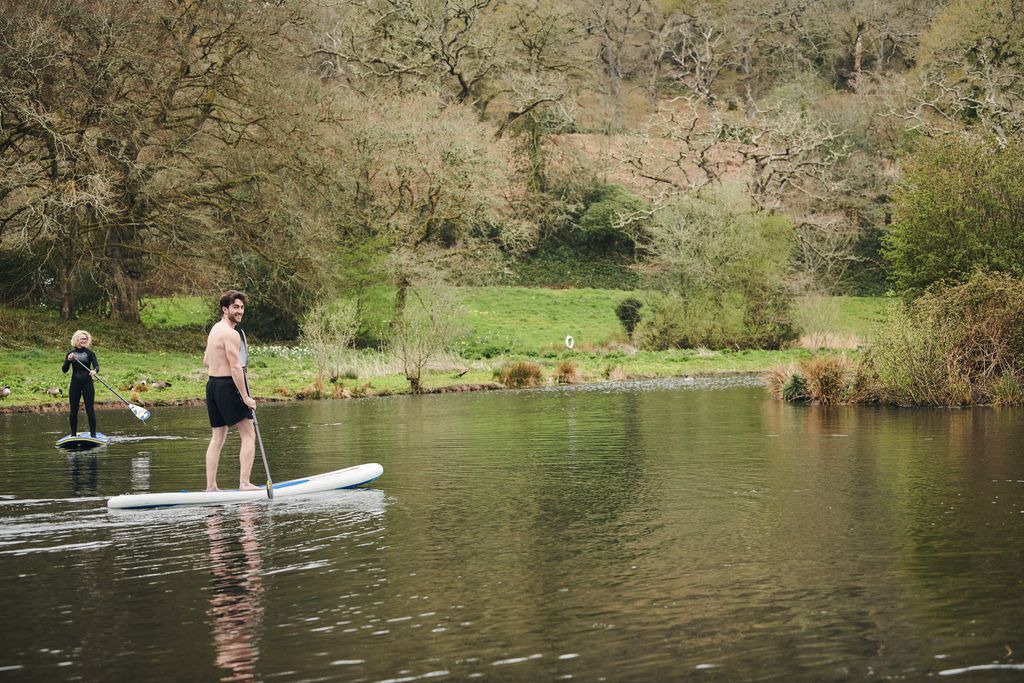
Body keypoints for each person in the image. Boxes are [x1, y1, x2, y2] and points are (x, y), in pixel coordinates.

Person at [203, 290, 259, 492]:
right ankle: (244, 483)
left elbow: (206, 360)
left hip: (212, 386)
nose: (240, 311)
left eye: (242, 307)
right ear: (224, 309)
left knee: (217, 437)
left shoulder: (215, 330)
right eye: (235, 307)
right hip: (228, 386)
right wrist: (246, 398)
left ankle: (211, 487)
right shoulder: (231, 334)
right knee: (248, 433)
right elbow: (236, 368)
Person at [62, 330, 99, 437]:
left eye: (85, 339)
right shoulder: (70, 354)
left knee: (90, 409)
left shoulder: (90, 353)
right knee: (73, 410)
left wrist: (94, 371)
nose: (84, 340)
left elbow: (97, 366)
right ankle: (73, 435)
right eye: (82, 338)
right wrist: (68, 360)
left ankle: (93, 435)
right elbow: (64, 369)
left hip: (87, 384)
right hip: (75, 385)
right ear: (76, 340)